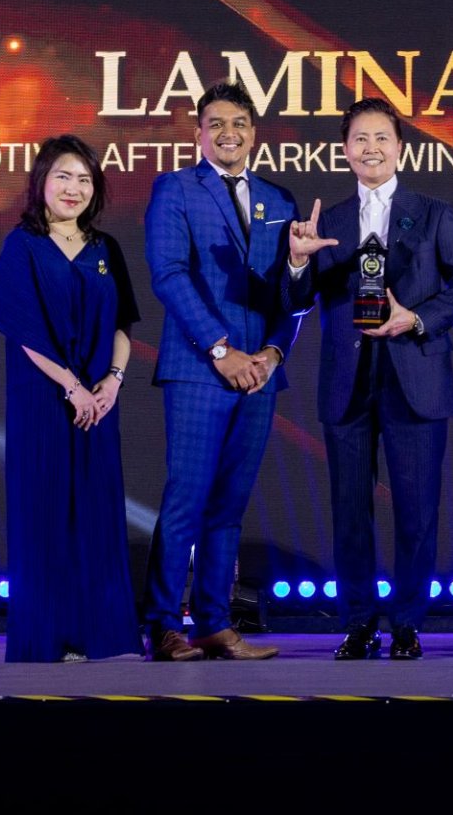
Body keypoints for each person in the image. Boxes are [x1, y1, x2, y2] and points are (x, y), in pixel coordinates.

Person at [284, 98, 453, 660]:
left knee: (416, 511)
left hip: (414, 374)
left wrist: (415, 318)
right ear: (345, 150)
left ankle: (407, 624)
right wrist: (297, 262)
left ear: (400, 147)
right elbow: (297, 301)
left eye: (381, 138)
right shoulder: (329, 220)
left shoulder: (434, 213)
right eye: (360, 139)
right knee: (350, 510)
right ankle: (357, 623)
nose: (371, 148)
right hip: (347, 380)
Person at [141, 82, 303, 661]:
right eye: (216, 124)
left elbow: (290, 292)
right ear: (198, 134)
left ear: (254, 133)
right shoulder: (176, 188)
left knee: (230, 505)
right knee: (186, 500)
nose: (228, 133)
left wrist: (274, 352)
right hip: (198, 369)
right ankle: (164, 624)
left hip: (259, 374)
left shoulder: (279, 199)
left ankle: (213, 621)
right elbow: (168, 275)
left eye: (238, 123)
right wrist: (220, 349)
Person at [0, 134, 144, 663]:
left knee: (96, 513)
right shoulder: (22, 245)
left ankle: (101, 636)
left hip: (98, 403)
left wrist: (112, 382)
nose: (74, 188)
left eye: (84, 179)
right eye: (63, 177)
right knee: (44, 514)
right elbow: (25, 331)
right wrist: (71, 387)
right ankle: (47, 639)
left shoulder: (105, 249)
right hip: (43, 400)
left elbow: (122, 325)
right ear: (41, 183)